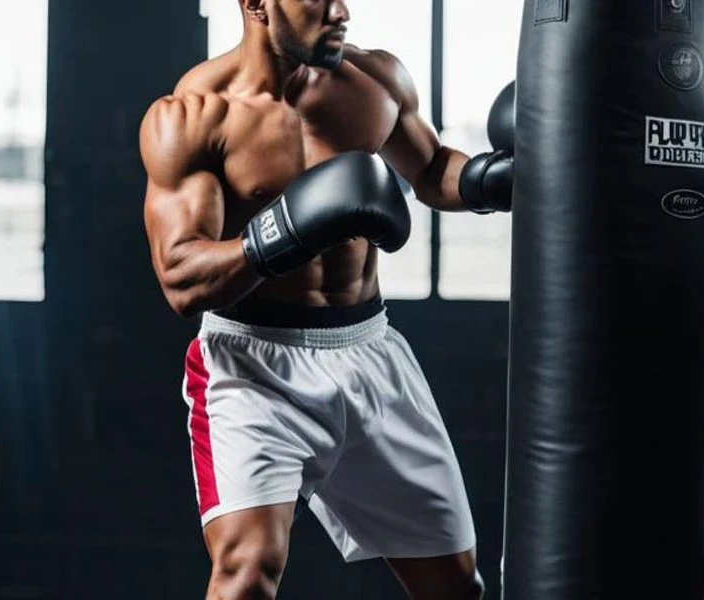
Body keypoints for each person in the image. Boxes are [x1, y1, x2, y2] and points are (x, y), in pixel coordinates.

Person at [139, 1, 513, 598]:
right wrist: (292, 229)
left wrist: (491, 180)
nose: (341, 11)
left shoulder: (375, 80)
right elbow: (182, 278)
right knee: (245, 574)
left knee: (456, 587)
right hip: (253, 366)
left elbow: (434, 167)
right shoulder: (193, 116)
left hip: (369, 351)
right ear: (257, 5)